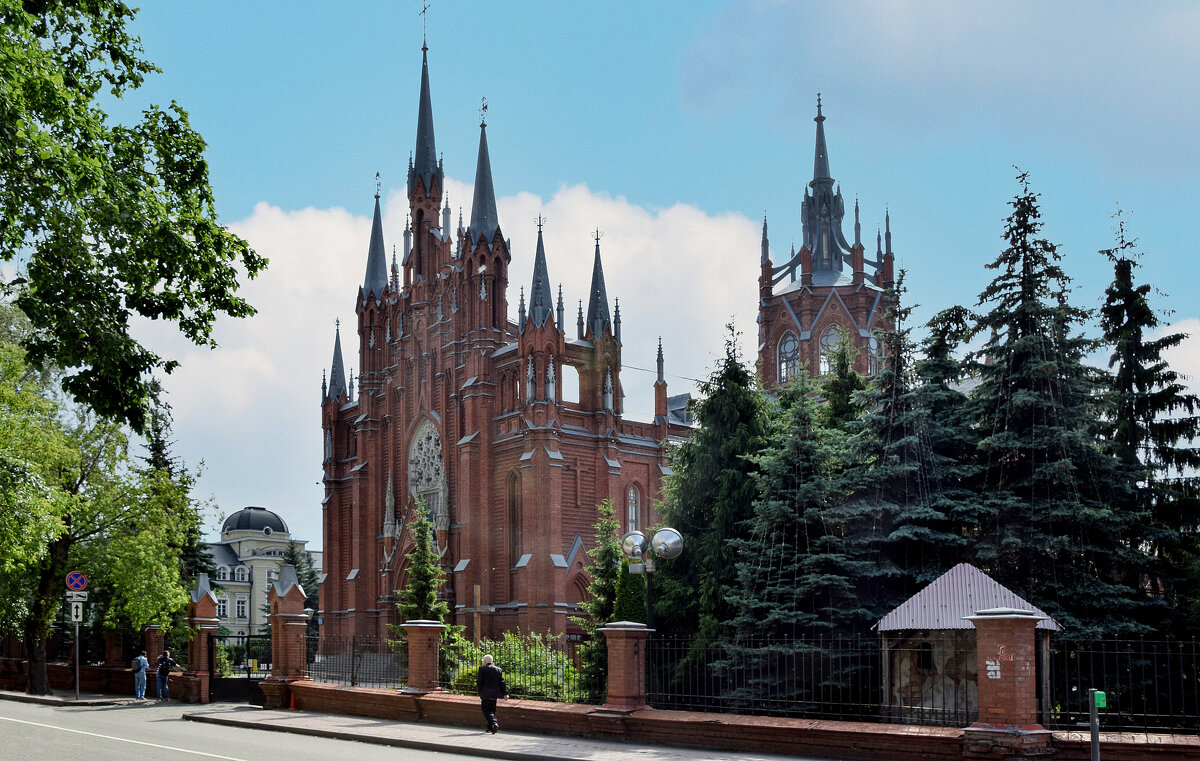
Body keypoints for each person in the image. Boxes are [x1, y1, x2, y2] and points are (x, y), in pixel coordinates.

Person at [475, 653, 508, 733]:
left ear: (485, 661)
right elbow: (502, 682)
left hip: (485, 693)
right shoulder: (498, 669)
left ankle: (494, 723)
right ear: (492, 661)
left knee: (485, 710)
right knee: (492, 710)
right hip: (494, 694)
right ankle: (490, 728)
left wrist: (480, 690)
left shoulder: (482, 669)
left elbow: (479, 681)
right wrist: (505, 693)